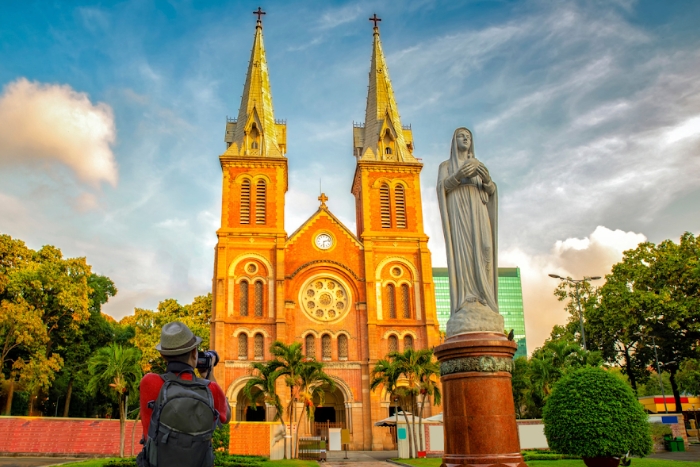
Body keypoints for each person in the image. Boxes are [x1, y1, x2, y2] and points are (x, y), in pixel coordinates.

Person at [437, 127, 503, 336]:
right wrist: (457, 176)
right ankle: (467, 298)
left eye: (468, 136)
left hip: (479, 212)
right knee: (464, 255)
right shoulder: (446, 166)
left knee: (485, 249)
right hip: (460, 214)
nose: (464, 139)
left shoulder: (479, 165)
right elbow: (442, 188)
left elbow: (491, 191)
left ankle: (484, 298)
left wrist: (488, 181)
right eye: (460, 136)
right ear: (453, 141)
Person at [138, 321, 231, 467]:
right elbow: (226, 417)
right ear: (194, 353)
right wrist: (208, 374)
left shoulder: (149, 382)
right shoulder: (211, 388)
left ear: (163, 355)